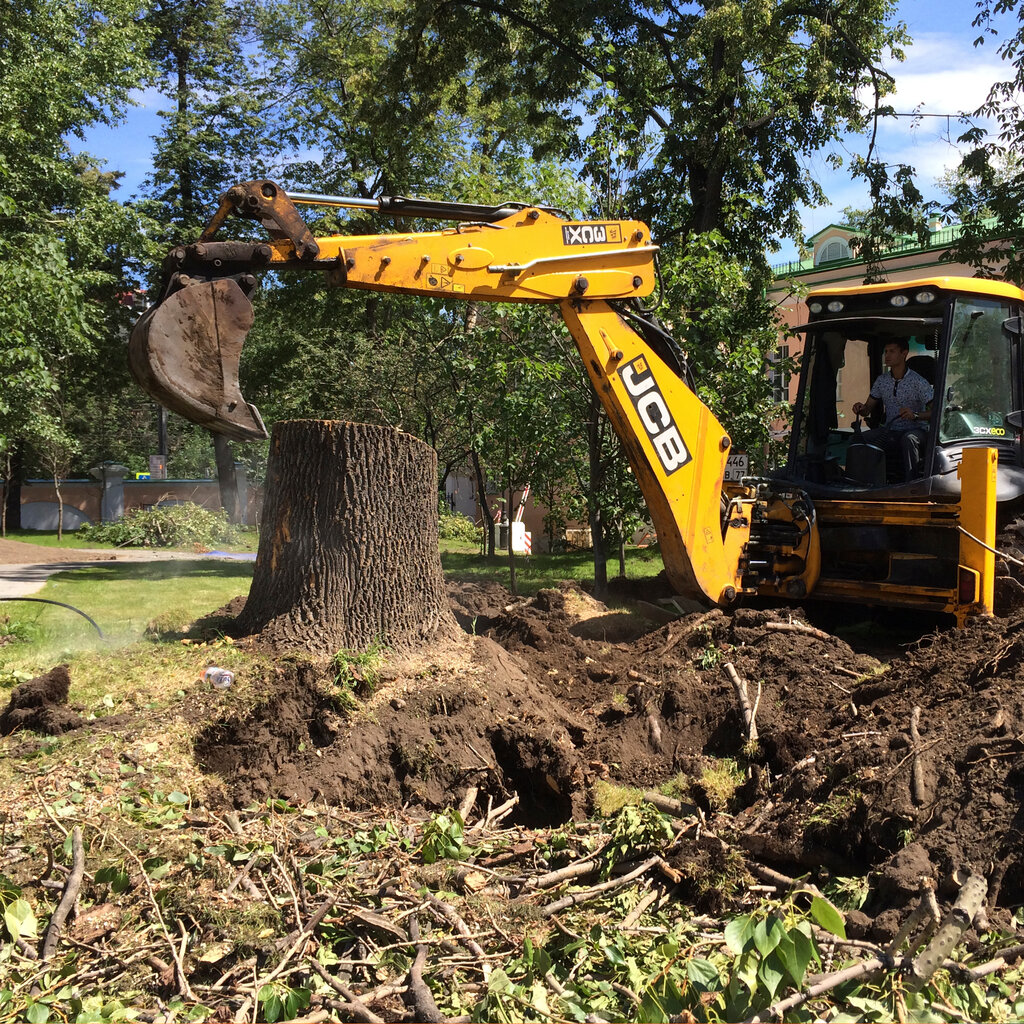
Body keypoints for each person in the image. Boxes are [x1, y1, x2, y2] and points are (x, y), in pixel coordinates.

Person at [851, 338, 933, 480]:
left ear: (904, 354)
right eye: (886, 351)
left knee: (909, 439)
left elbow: (935, 412)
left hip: (916, 430)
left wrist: (915, 415)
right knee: (857, 439)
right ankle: (859, 482)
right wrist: (860, 408)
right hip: (890, 429)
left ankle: (912, 483)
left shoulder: (918, 382)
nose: (887, 355)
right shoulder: (881, 381)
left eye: (892, 351)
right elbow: (867, 409)